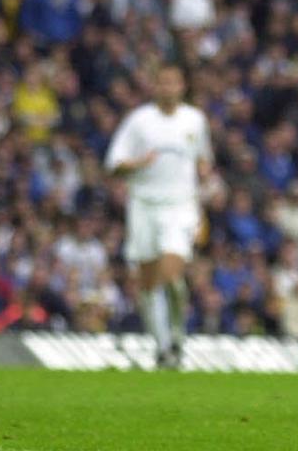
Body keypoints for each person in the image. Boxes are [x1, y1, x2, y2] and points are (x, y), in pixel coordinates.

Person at [105, 64, 213, 369]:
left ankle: (177, 334)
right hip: (143, 206)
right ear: (155, 86)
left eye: (173, 82)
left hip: (180, 206)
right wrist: (137, 163)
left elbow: (203, 159)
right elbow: (114, 164)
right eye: (162, 82)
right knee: (148, 284)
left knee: (172, 274)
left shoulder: (195, 119)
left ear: (182, 86)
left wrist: (205, 175)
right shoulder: (139, 122)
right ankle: (163, 347)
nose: (168, 88)